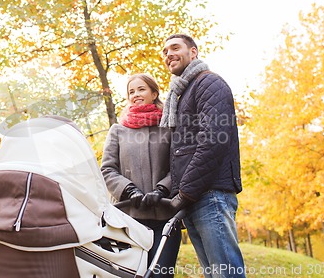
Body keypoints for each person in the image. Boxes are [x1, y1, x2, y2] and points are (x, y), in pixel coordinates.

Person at [160, 33, 246, 278]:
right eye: (165, 52)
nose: (168, 55)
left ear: (193, 52)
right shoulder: (182, 94)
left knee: (226, 274)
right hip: (195, 197)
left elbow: (213, 140)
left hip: (211, 195)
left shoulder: (208, 83)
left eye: (175, 48)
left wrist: (185, 191)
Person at [101, 73, 181, 278]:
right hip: (127, 218)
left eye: (141, 89)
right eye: (131, 91)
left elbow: (179, 165)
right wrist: (129, 190)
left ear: (154, 93)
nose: (136, 94)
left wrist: (162, 189)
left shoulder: (169, 128)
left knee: (160, 274)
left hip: (164, 217)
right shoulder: (117, 131)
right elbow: (108, 169)